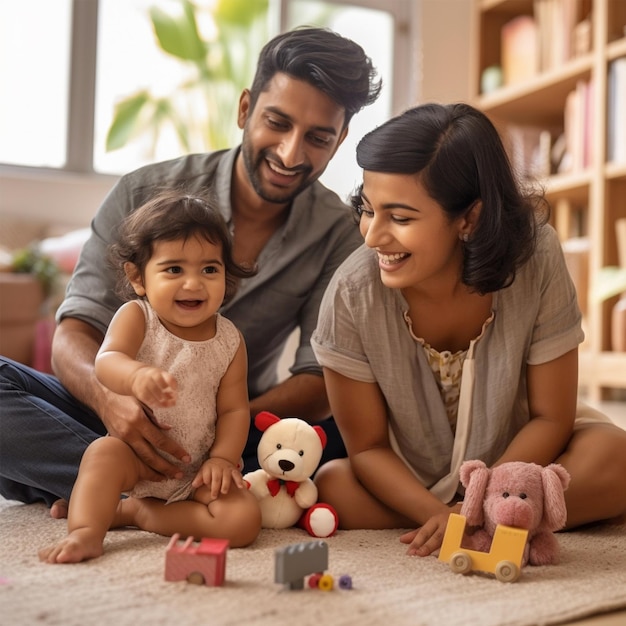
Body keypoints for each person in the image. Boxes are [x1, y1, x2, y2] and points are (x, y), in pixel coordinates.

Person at [0, 26, 382, 517]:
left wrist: (225, 429)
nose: (291, 154)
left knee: (341, 443)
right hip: (110, 415)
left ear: (341, 138)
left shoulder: (337, 234)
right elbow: (73, 333)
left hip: (232, 435)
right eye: (277, 123)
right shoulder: (144, 192)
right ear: (245, 109)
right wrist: (112, 404)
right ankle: (132, 489)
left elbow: (319, 379)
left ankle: (88, 485)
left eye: (318, 138)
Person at [311, 102, 626, 557]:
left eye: (399, 218)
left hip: (522, 465)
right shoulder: (351, 294)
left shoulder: (536, 258)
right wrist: (438, 514)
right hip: (410, 476)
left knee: (615, 455)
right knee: (333, 484)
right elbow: (369, 448)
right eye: (367, 208)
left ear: (469, 218)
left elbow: (550, 417)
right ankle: (510, 523)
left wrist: (487, 497)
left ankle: (501, 514)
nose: (372, 235)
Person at [39, 191, 261, 563]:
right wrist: (135, 375)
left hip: (196, 467)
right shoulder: (137, 317)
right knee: (102, 454)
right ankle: (86, 532)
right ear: (138, 278)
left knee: (243, 521)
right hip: (136, 457)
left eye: (209, 269)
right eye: (174, 269)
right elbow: (107, 361)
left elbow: (235, 409)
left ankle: (137, 512)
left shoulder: (230, 340)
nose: (193, 284)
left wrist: (222, 458)